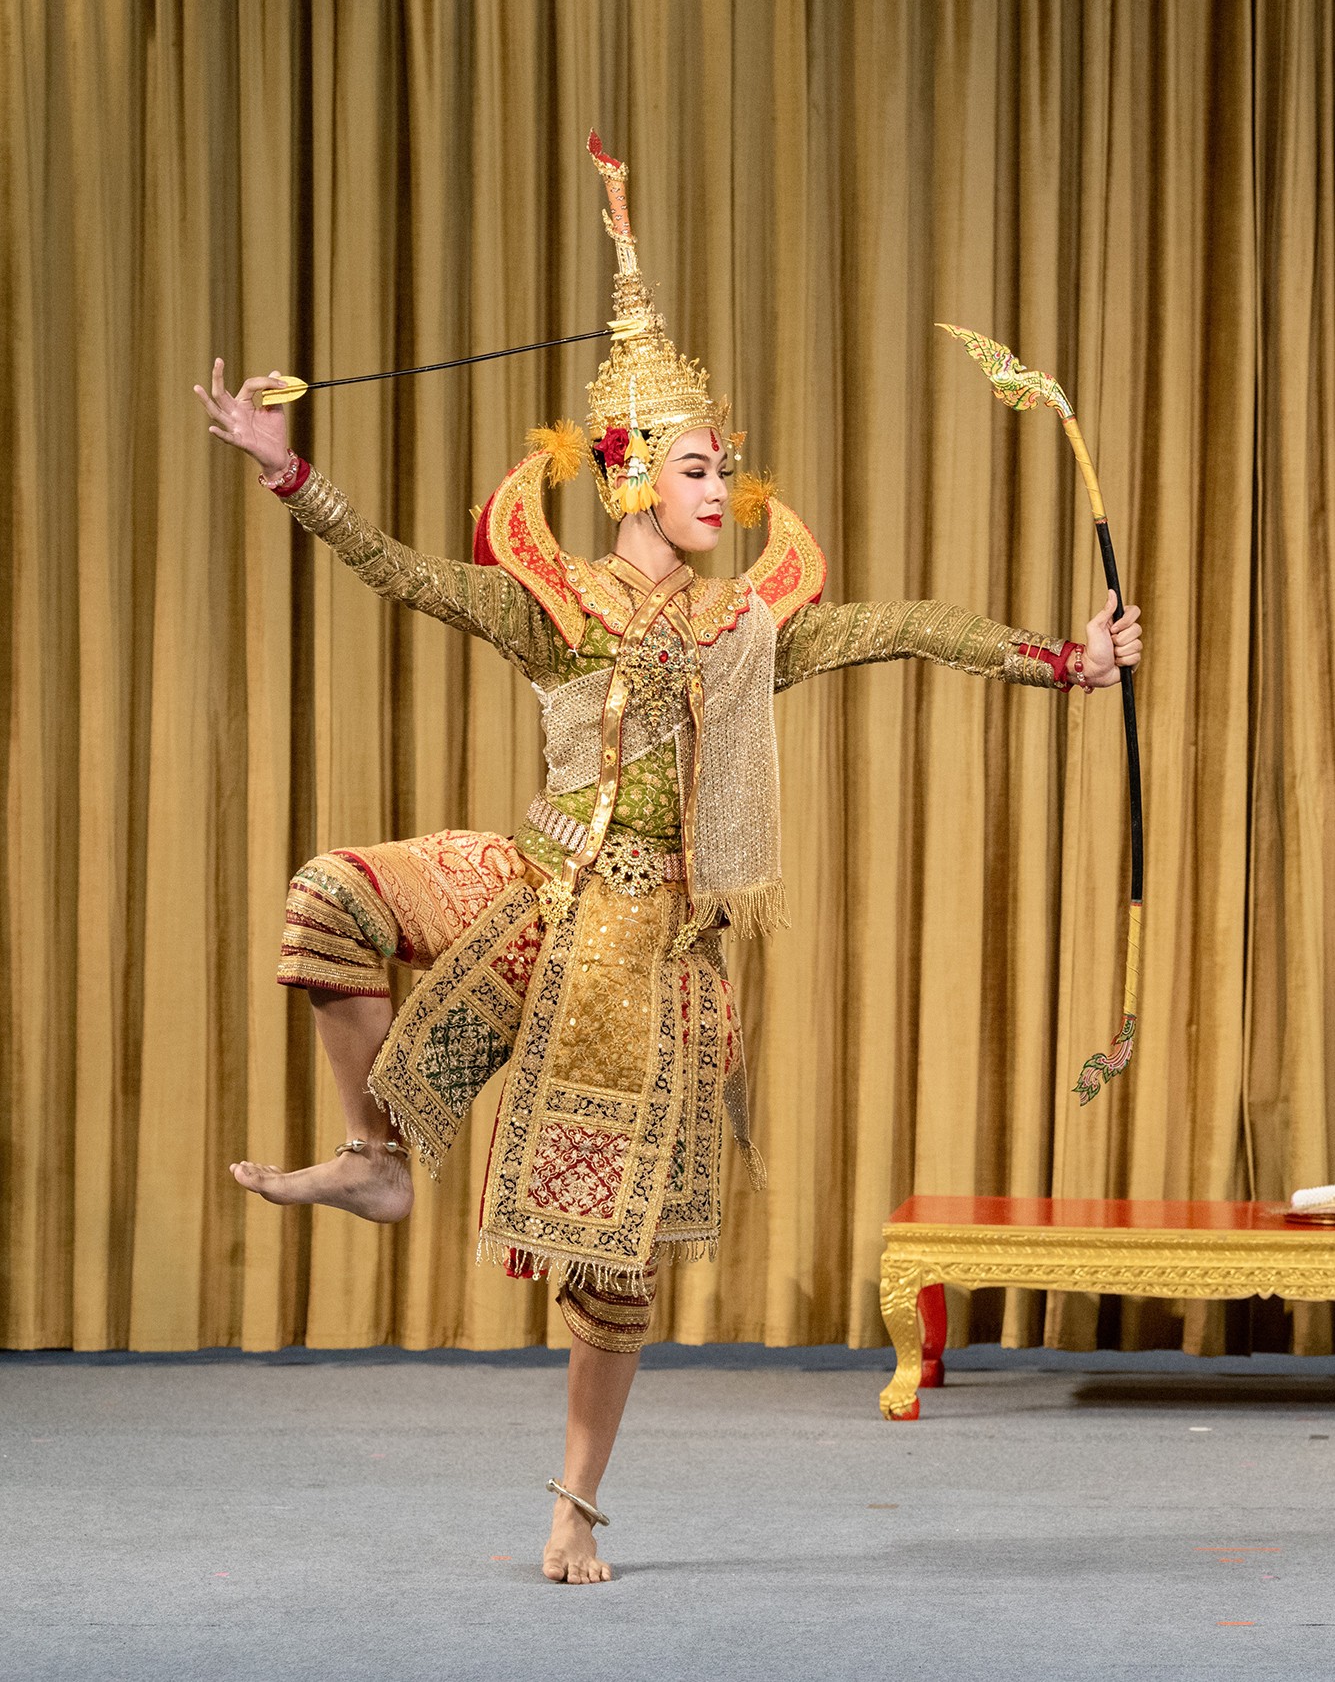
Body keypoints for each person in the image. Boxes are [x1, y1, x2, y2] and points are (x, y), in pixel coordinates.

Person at [194, 131, 1143, 1584]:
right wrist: (289, 476)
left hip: (648, 959)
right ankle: (375, 1160)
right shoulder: (555, 602)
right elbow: (402, 572)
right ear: (630, 472)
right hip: (530, 886)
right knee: (327, 896)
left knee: (609, 1261)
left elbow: (904, 627)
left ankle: (575, 1505)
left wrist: (1064, 662)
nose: (723, 488)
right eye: (698, 466)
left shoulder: (742, 631)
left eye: (728, 468)